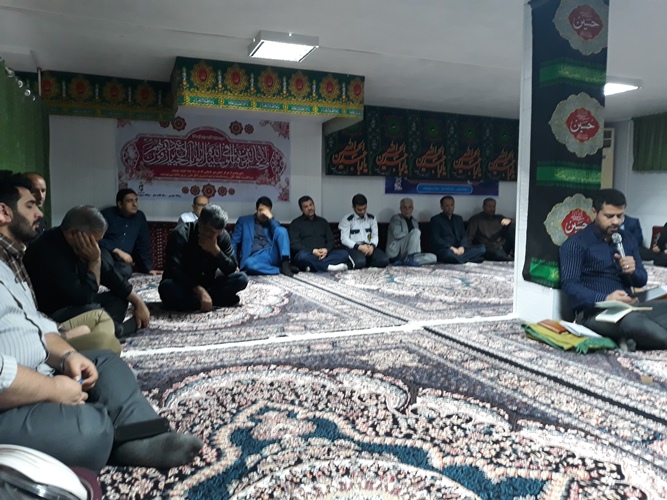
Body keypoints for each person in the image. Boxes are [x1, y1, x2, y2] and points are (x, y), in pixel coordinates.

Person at [0, 172, 203, 470]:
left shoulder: (10, 261)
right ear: (4, 212)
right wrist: (52, 389)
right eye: (30, 205)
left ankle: (142, 437)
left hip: (43, 357)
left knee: (106, 361)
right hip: (14, 390)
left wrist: (66, 355)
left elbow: (33, 323)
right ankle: (114, 436)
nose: (39, 212)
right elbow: (82, 296)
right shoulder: (46, 250)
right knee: (92, 426)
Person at [560, 188, 667, 350]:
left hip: (628, 307)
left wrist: (633, 271)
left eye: (620, 216)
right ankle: (635, 337)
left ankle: (632, 338)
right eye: (609, 216)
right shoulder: (576, 243)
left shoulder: (627, 239)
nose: (616, 221)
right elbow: (570, 285)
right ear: (594, 212)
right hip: (593, 313)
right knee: (633, 321)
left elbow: (641, 280)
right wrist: (606, 298)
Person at [24, 205, 151, 338]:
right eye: (94, 241)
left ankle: (105, 331)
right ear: (73, 233)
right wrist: (94, 261)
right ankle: (117, 331)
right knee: (94, 312)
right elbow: (85, 298)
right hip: (53, 313)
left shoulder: (80, 244)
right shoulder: (49, 251)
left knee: (118, 298)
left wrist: (138, 302)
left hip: (76, 302)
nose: (95, 246)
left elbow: (110, 275)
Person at [159, 204, 249, 311]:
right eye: (209, 231)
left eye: (217, 233)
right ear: (200, 222)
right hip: (185, 284)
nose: (213, 236)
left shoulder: (222, 236)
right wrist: (199, 290)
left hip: (209, 282)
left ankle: (196, 302)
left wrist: (216, 251)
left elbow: (231, 268)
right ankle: (213, 300)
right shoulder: (181, 233)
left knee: (241, 278)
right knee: (167, 287)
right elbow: (173, 270)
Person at [231, 196, 297, 277]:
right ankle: (280, 269)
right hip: (254, 257)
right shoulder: (244, 221)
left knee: (281, 230)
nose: (263, 214)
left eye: (266, 211)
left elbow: (281, 234)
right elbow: (234, 242)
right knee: (249, 264)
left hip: (271, 253)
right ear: (256, 209)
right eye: (261, 210)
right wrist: (233, 263)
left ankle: (285, 264)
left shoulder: (272, 223)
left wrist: (271, 218)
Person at [100, 188, 159, 276]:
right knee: (105, 263)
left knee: (126, 271)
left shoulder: (139, 217)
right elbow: (95, 238)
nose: (135, 204)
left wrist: (148, 269)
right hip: (106, 253)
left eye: (136, 200)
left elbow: (143, 245)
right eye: (130, 201)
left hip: (122, 260)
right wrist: (117, 251)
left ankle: (112, 278)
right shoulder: (106, 215)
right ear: (120, 204)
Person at [289, 196, 349, 272]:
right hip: (308, 254)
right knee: (301, 256)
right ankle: (328, 267)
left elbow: (331, 240)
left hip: (324, 255)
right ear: (301, 209)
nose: (309, 208)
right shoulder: (295, 223)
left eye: (311, 205)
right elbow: (294, 244)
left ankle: (313, 266)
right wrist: (312, 251)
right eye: (306, 207)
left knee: (344, 254)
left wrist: (326, 250)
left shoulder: (323, 222)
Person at [338, 194, 389, 269]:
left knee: (384, 260)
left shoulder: (371, 218)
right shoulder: (347, 220)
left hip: (369, 246)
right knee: (360, 262)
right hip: (354, 248)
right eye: (359, 209)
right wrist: (359, 247)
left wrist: (372, 246)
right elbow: (344, 239)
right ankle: (360, 262)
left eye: (364, 208)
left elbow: (375, 236)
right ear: (353, 207)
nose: (362, 211)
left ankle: (366, 263)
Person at [430, 195, 485, 264]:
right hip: (447, 249)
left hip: (459, 248)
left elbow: (464, 236)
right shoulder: (436, 219)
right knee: (447, 254)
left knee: (482, 248)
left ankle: (461, 259)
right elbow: (436, 239)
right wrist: (452, 248)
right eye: (447, 205)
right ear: (441, 207)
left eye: (452, 205)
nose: (450, 208)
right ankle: (469, 259)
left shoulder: (458, 219)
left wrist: (462, 247)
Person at [386, 198, 436, 266]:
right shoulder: (396, 218)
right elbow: (397, 235)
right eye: (404, 207)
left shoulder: (415, 221)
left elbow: (417, 240)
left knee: (433, 257)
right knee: (416, 232)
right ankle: (410, 259)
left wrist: (414, 237)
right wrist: (412, 235)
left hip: (410, 252)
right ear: (400, 209)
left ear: (412, 209)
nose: (407, 210)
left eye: (409, 207)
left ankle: (406, 260)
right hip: (397, 250)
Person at [24, 172, 48, 239]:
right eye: (35, 191)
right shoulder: (19, 219)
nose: (41, 196)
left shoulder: (41, 220)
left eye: (43, 191)